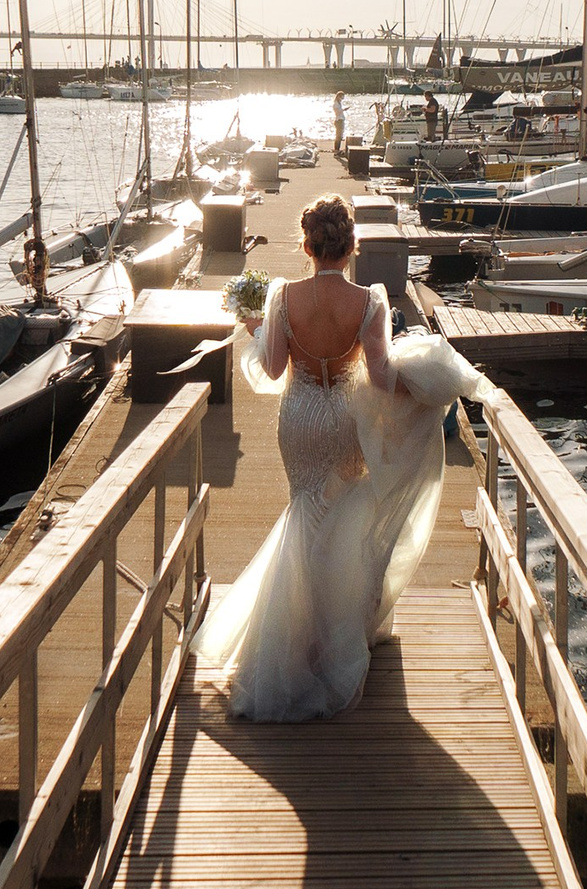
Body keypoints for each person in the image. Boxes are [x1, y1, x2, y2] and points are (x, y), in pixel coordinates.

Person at [195, 195, 480, 721]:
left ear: (308, 246)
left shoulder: (283, 297)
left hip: (299, 416)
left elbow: (276, 370)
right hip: (345, 418)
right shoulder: (369, 302)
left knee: (303, 511)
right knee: (343, 519)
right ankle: (337, 637)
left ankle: (293, 645)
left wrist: (256, 328)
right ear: (350, 248)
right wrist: (422, 383)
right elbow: (380, 377)